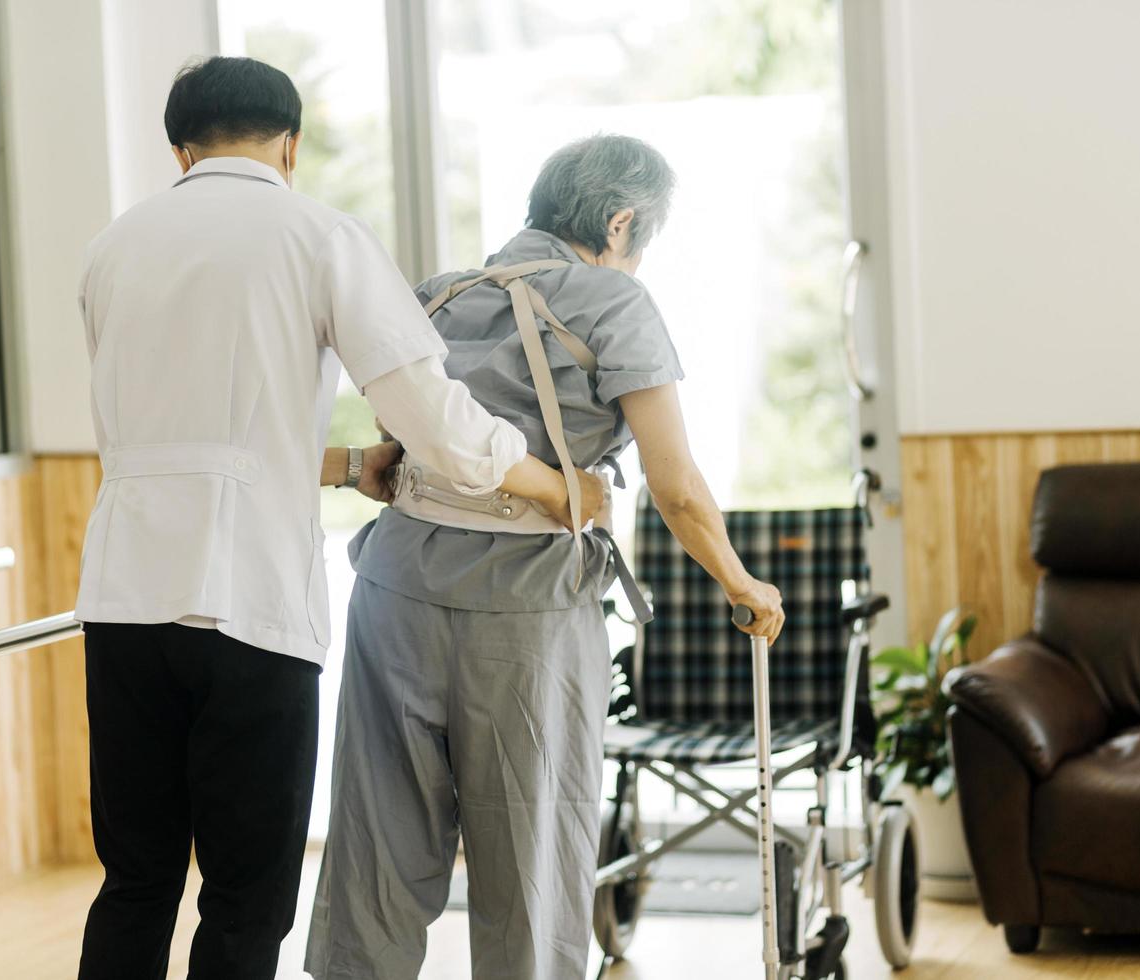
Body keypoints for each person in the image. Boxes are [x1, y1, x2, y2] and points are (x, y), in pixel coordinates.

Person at [72, 57, 599, 980]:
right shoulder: (316, 233)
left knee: (137, 877)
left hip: (121, 599)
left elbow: (161, 434)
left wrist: (353, 466)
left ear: (178, 149)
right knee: (246, 894)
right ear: (290, 144)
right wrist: (555, 489)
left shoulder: (116, 245)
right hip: (249, 607)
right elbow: (430, 412)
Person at [305, 134, 786, 980]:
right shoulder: (614, 302)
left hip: (394, 592)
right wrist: (742, 582)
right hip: (526, 613)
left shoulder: (437, 295)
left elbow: (400, 441)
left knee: (376, 846)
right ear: (621, 221)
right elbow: (675, 487)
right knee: (531, 850)